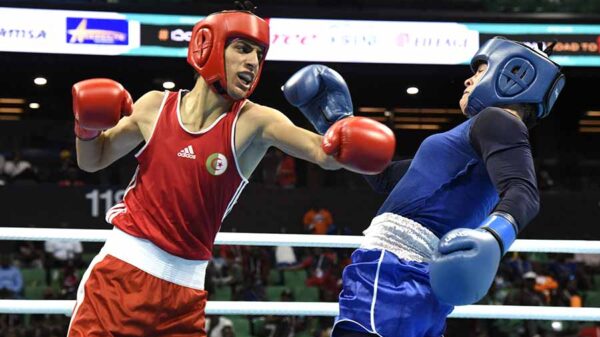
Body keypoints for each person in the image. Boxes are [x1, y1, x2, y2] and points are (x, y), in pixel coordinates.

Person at [67, 2, 396, 336]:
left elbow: (324, 154)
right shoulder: (154, 106)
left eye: (259, 54)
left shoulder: (255, 121)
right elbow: (93, 159)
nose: (253, 62)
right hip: (120, 277)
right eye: (242, 48)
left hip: (184, 295)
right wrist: (86, 129)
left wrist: (341, 124)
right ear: (207, 46)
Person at [286, 37, 564, 337]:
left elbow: (524, 192)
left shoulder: (497, 120)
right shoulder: (477, 135)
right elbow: (387, 180)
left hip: (396, 268)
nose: (469, 79)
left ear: (512, 76)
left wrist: (494, 237)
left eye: (481, 70)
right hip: (413, 275)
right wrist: (339, 124)